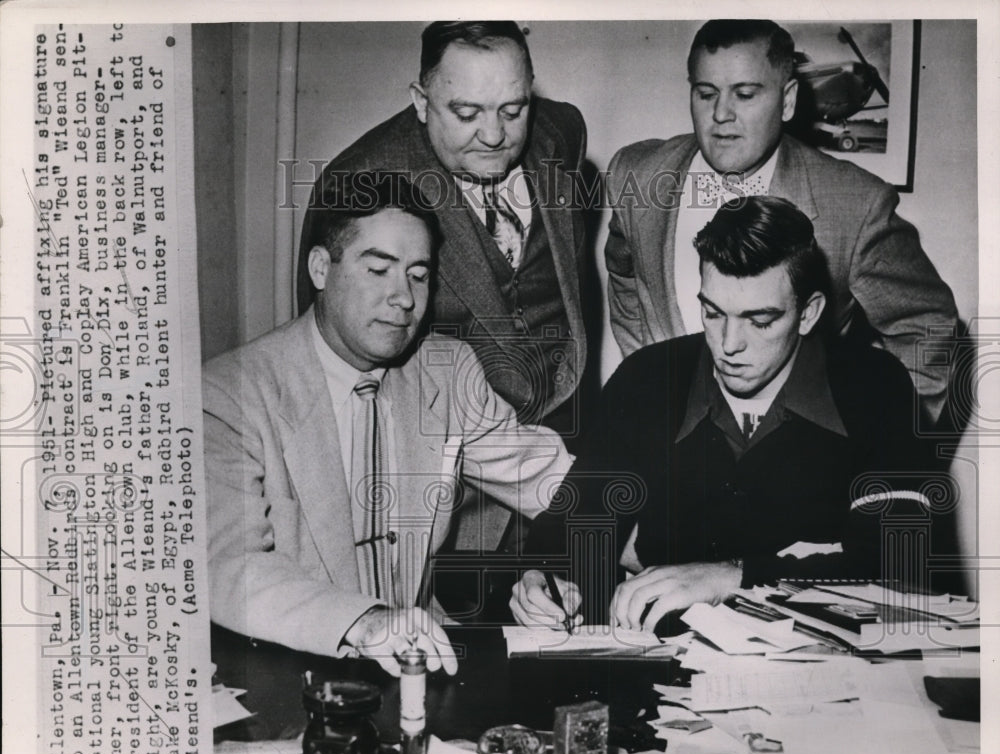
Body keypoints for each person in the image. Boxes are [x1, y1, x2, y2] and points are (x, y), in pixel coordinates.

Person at [512, 196, 936, 633]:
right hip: (668, 665)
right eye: (713, 313)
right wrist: (540, 579)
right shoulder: (648, 377)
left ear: (808, 314)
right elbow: (574, 524)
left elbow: (902, 564)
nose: (729, 344)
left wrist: (733, 576)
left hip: (826, 670)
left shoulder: (876, 386)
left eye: (760, 320)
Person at [204, 173, 572, 675]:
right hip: (293, 670)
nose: (404, 298)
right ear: (320, 269)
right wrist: (370, 622)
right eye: (379, 270)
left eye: (418, 275)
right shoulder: (228, 393)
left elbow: (552, 481)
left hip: (423, 665)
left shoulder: (448, 369)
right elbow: (227, 565)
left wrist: (692, 564)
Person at [605, 19, 958, 423]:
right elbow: (624, 273)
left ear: (787, 100)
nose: (721, 114)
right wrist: (647, 375)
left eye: (745, 94)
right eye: (706, 94)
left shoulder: (856, 205)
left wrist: (889, 448)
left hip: (793, 460)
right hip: (671, 448)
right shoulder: (636, 173)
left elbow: (927, 326)